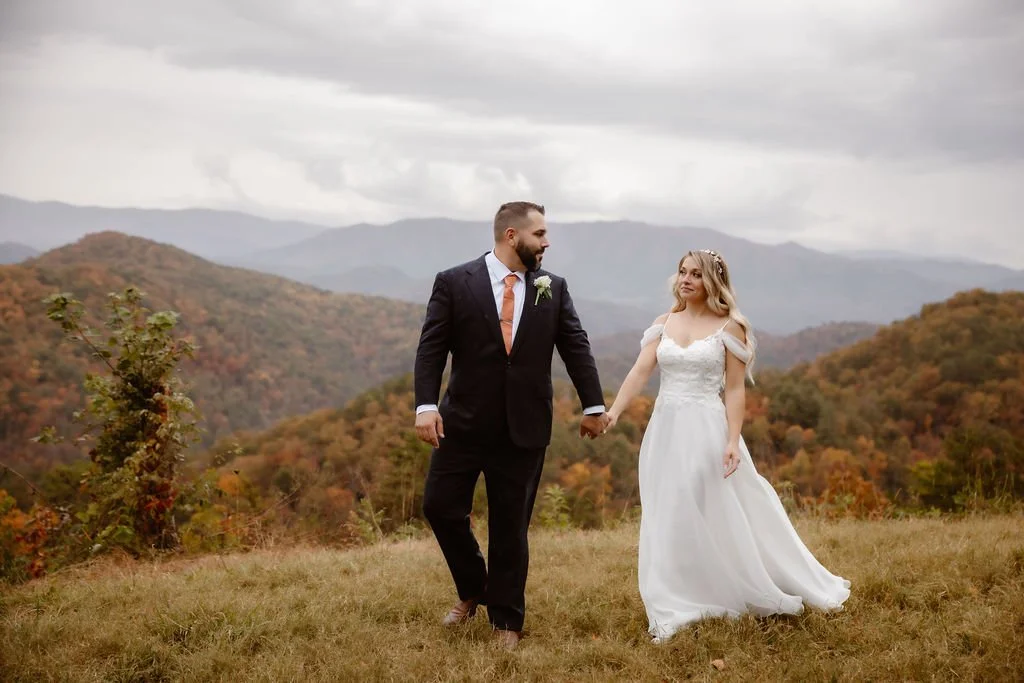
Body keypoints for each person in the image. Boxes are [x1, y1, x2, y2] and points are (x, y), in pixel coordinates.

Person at [605, 248, 851, 644]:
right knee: (668, 510)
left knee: (709, 506)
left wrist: (733, 441)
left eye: (695, 275)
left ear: (712, 282)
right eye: (682, 272)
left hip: (707, 429)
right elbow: (640, 371)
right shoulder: (663, 323)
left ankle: (737, 583)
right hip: (665, 429)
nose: (685, 280)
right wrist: (614, 412)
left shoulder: (730, 327)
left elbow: (735, 391)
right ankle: (676, 594)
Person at [413, 201, 610, 650]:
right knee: (439, 507)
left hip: (524, 427)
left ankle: (506, 620)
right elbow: (431, 348)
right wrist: (426, 405)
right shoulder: (454, 282)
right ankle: (474, 587)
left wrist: (593, 404)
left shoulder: (551, 287)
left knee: (510, 527)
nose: (546, 242)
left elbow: (575, 346)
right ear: (511, 236)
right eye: (539, 234)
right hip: (461, 423)